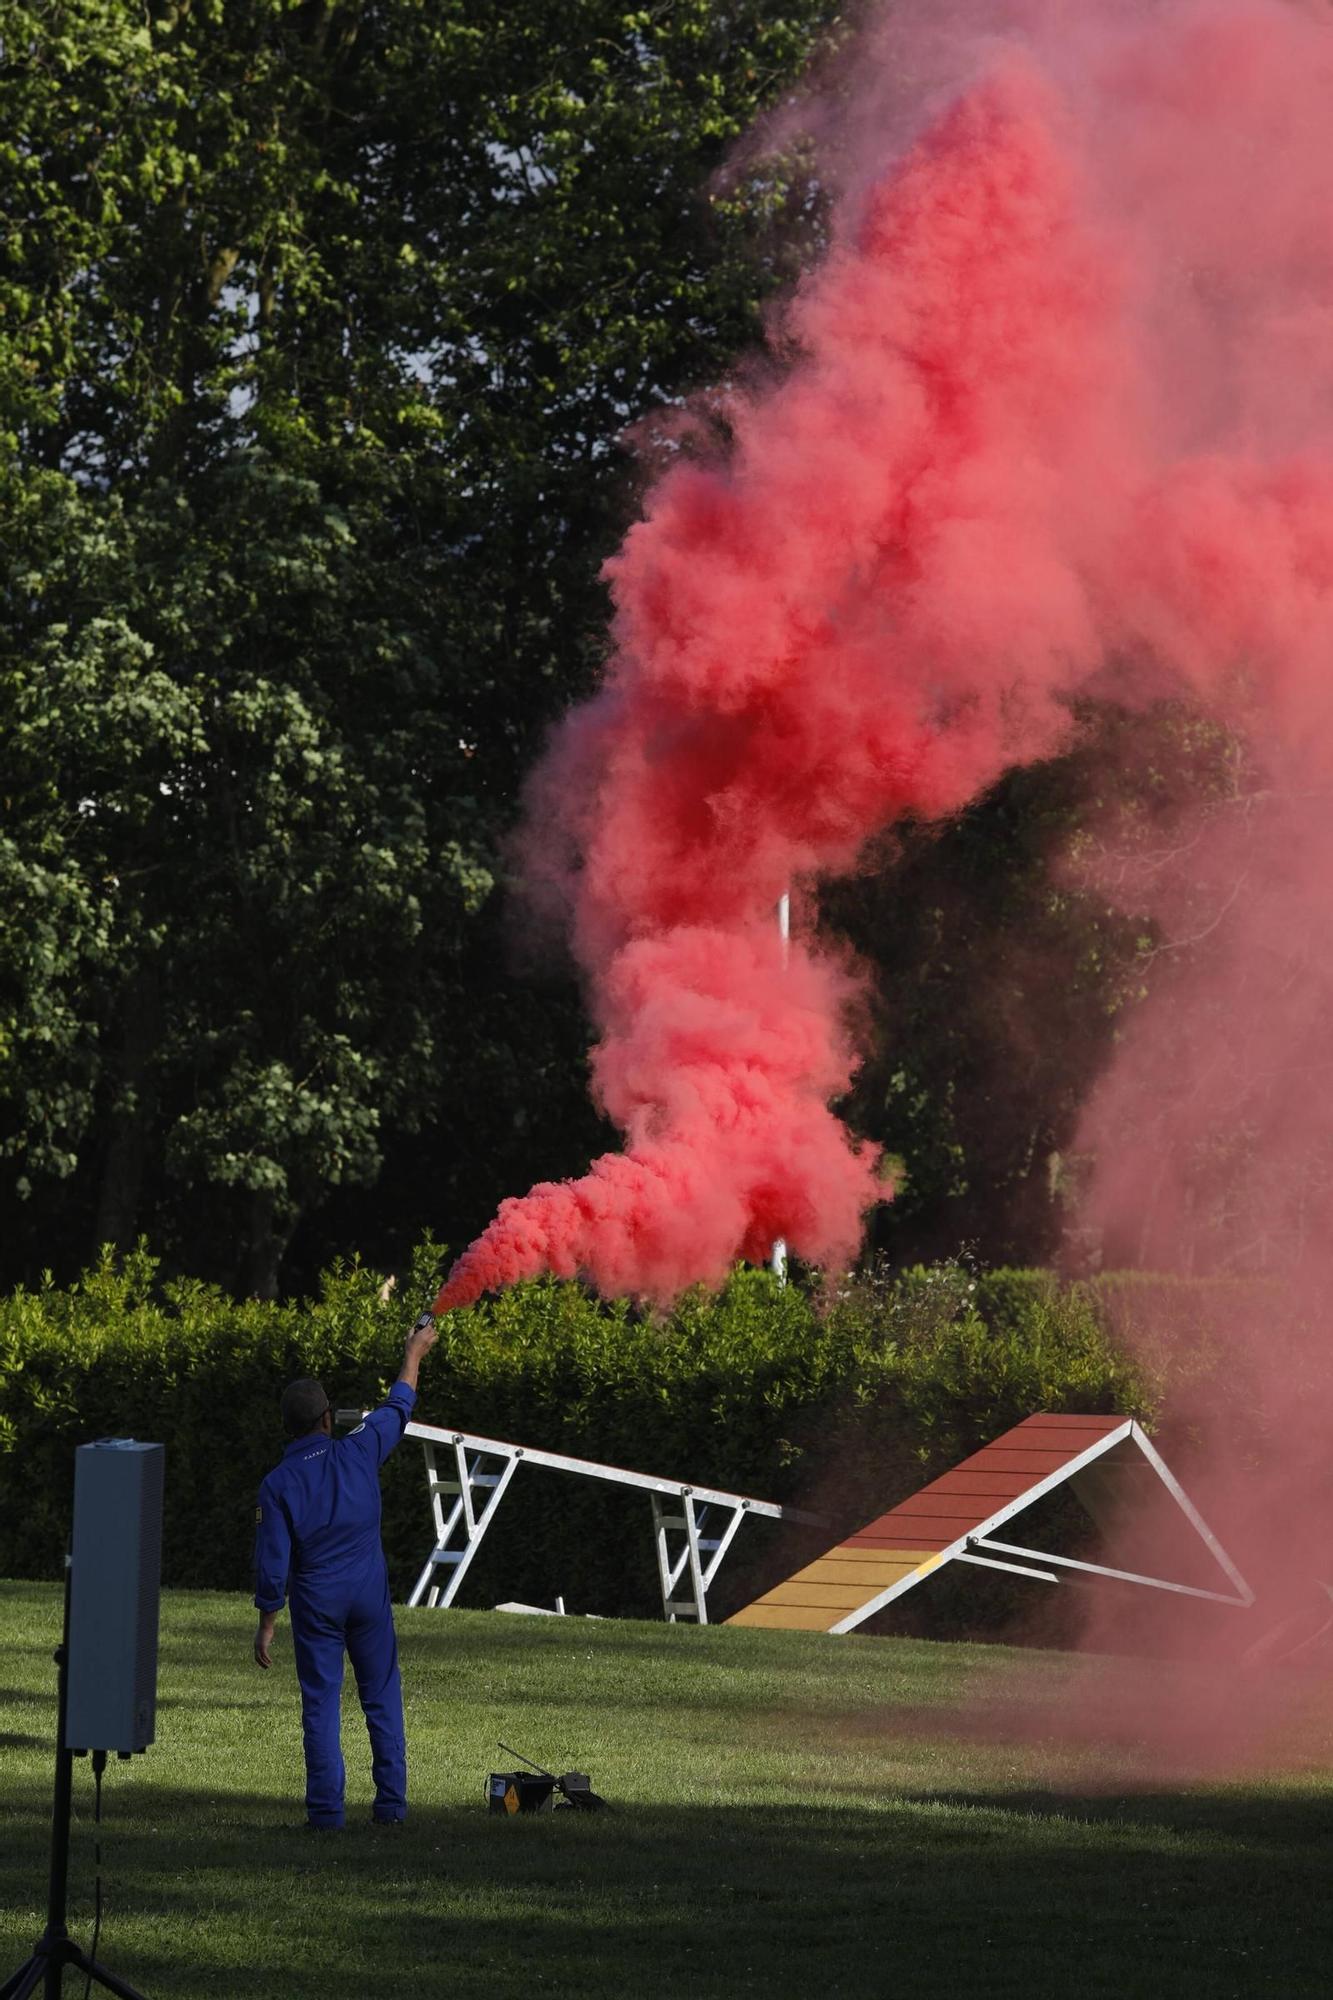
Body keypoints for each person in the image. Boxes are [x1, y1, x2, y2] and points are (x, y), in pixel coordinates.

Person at [251, 1313, 438, 1829]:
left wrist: (268, 1620)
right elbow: (399, 1405)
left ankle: (327, 1814)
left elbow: (273, 1561)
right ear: (329, 1418)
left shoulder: (278, 1483)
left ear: (287, 1427)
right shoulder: (359, 1450)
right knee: (380, 1694)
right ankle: (392, 1807)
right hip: (368, 1595)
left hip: (316, 1601)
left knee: (321, 1704)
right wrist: (413, 1353)